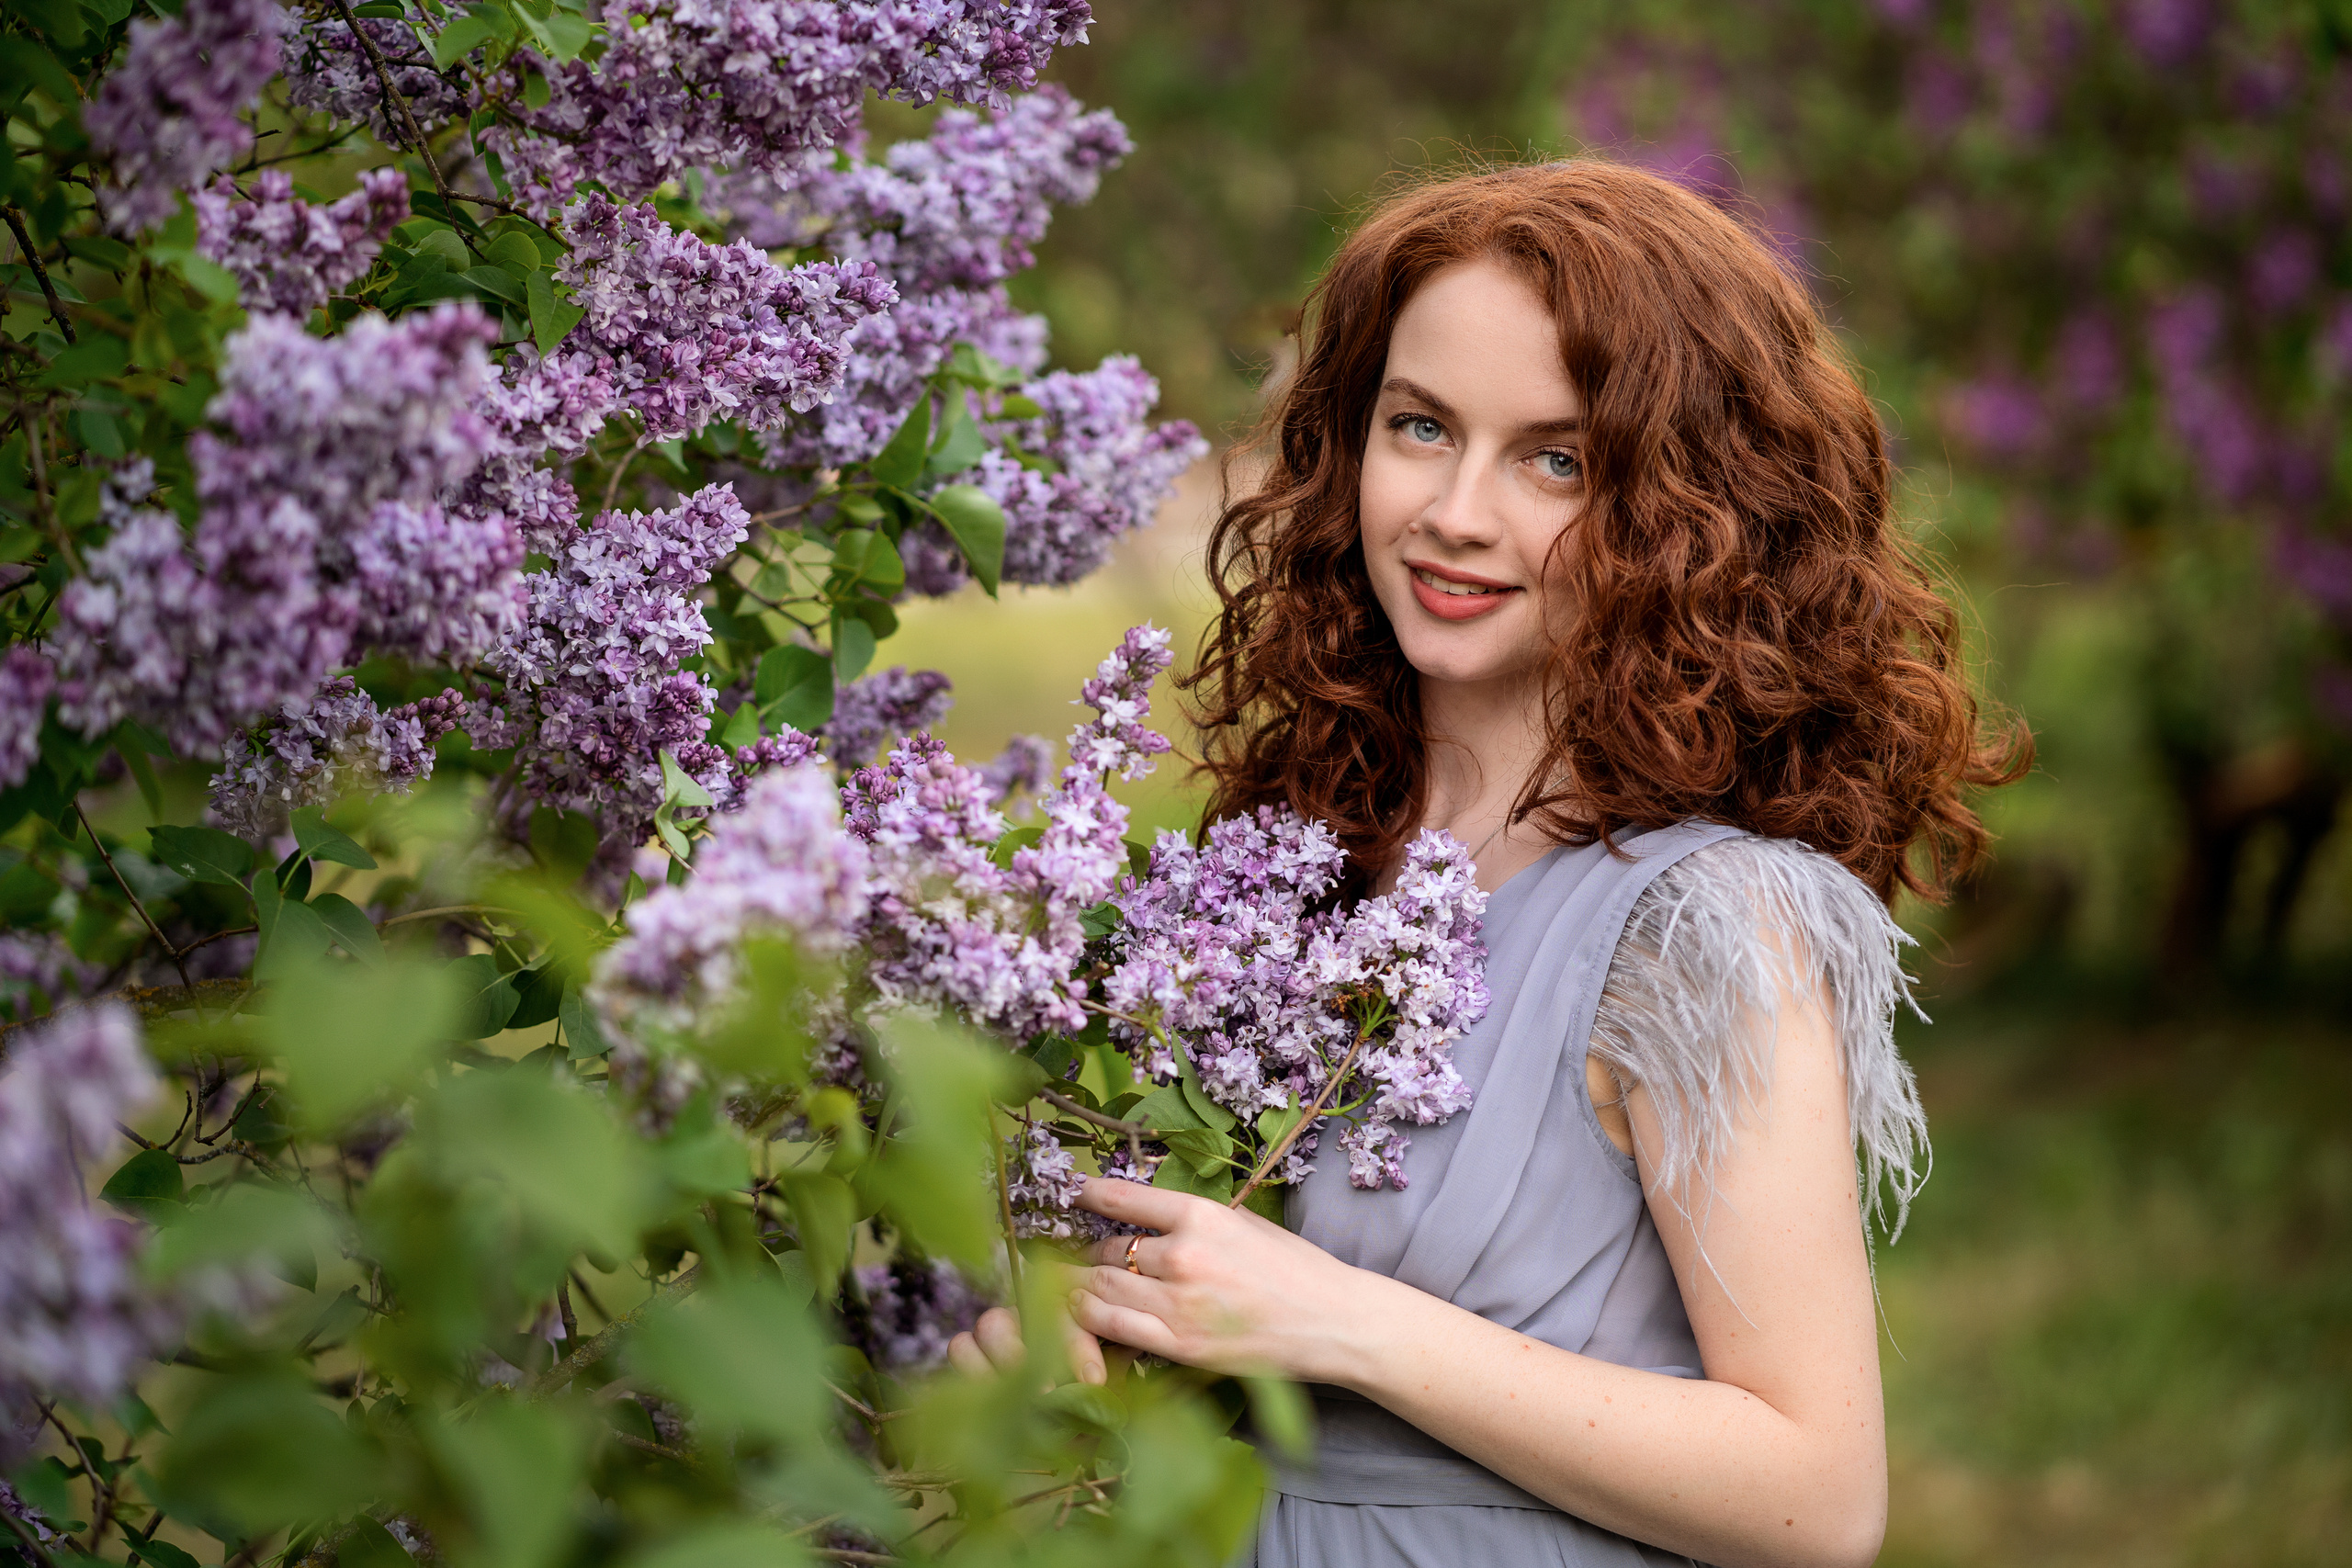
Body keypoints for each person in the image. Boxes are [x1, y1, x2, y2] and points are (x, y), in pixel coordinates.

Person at [946, 160, 2027, 1568]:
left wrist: (1340, 1321)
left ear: (1689, 507)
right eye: (1420, 426)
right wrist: (1089, 1342)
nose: (1456, 511)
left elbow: (1817, 1502)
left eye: (1555, 458)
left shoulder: (1701, 925)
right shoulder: (1296, 871)